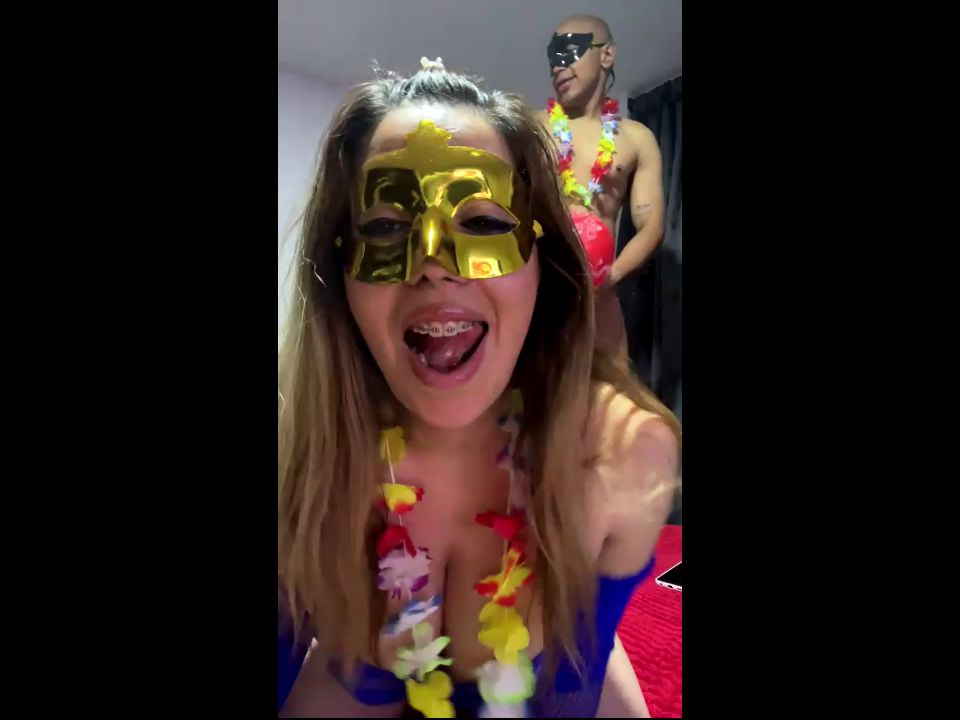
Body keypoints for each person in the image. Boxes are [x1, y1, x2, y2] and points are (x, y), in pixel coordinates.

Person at [278, 58, 680, 718]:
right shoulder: (304, 445)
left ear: (541, 262)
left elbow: (575, 681)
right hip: (360, 677)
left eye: (486, 222)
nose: (433, 264)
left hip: (556, 678)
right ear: (339, 263)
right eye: (385, 226)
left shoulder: (623, 451)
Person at [540, 15, 665, 359]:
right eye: (552, 57)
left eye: (569, 51)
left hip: (603, 301)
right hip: (543, 296)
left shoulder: (637, 138)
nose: (557, 66)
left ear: (606, 55)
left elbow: (651, 225)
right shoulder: (532, 129)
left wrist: (608, 280)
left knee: (612, 390)